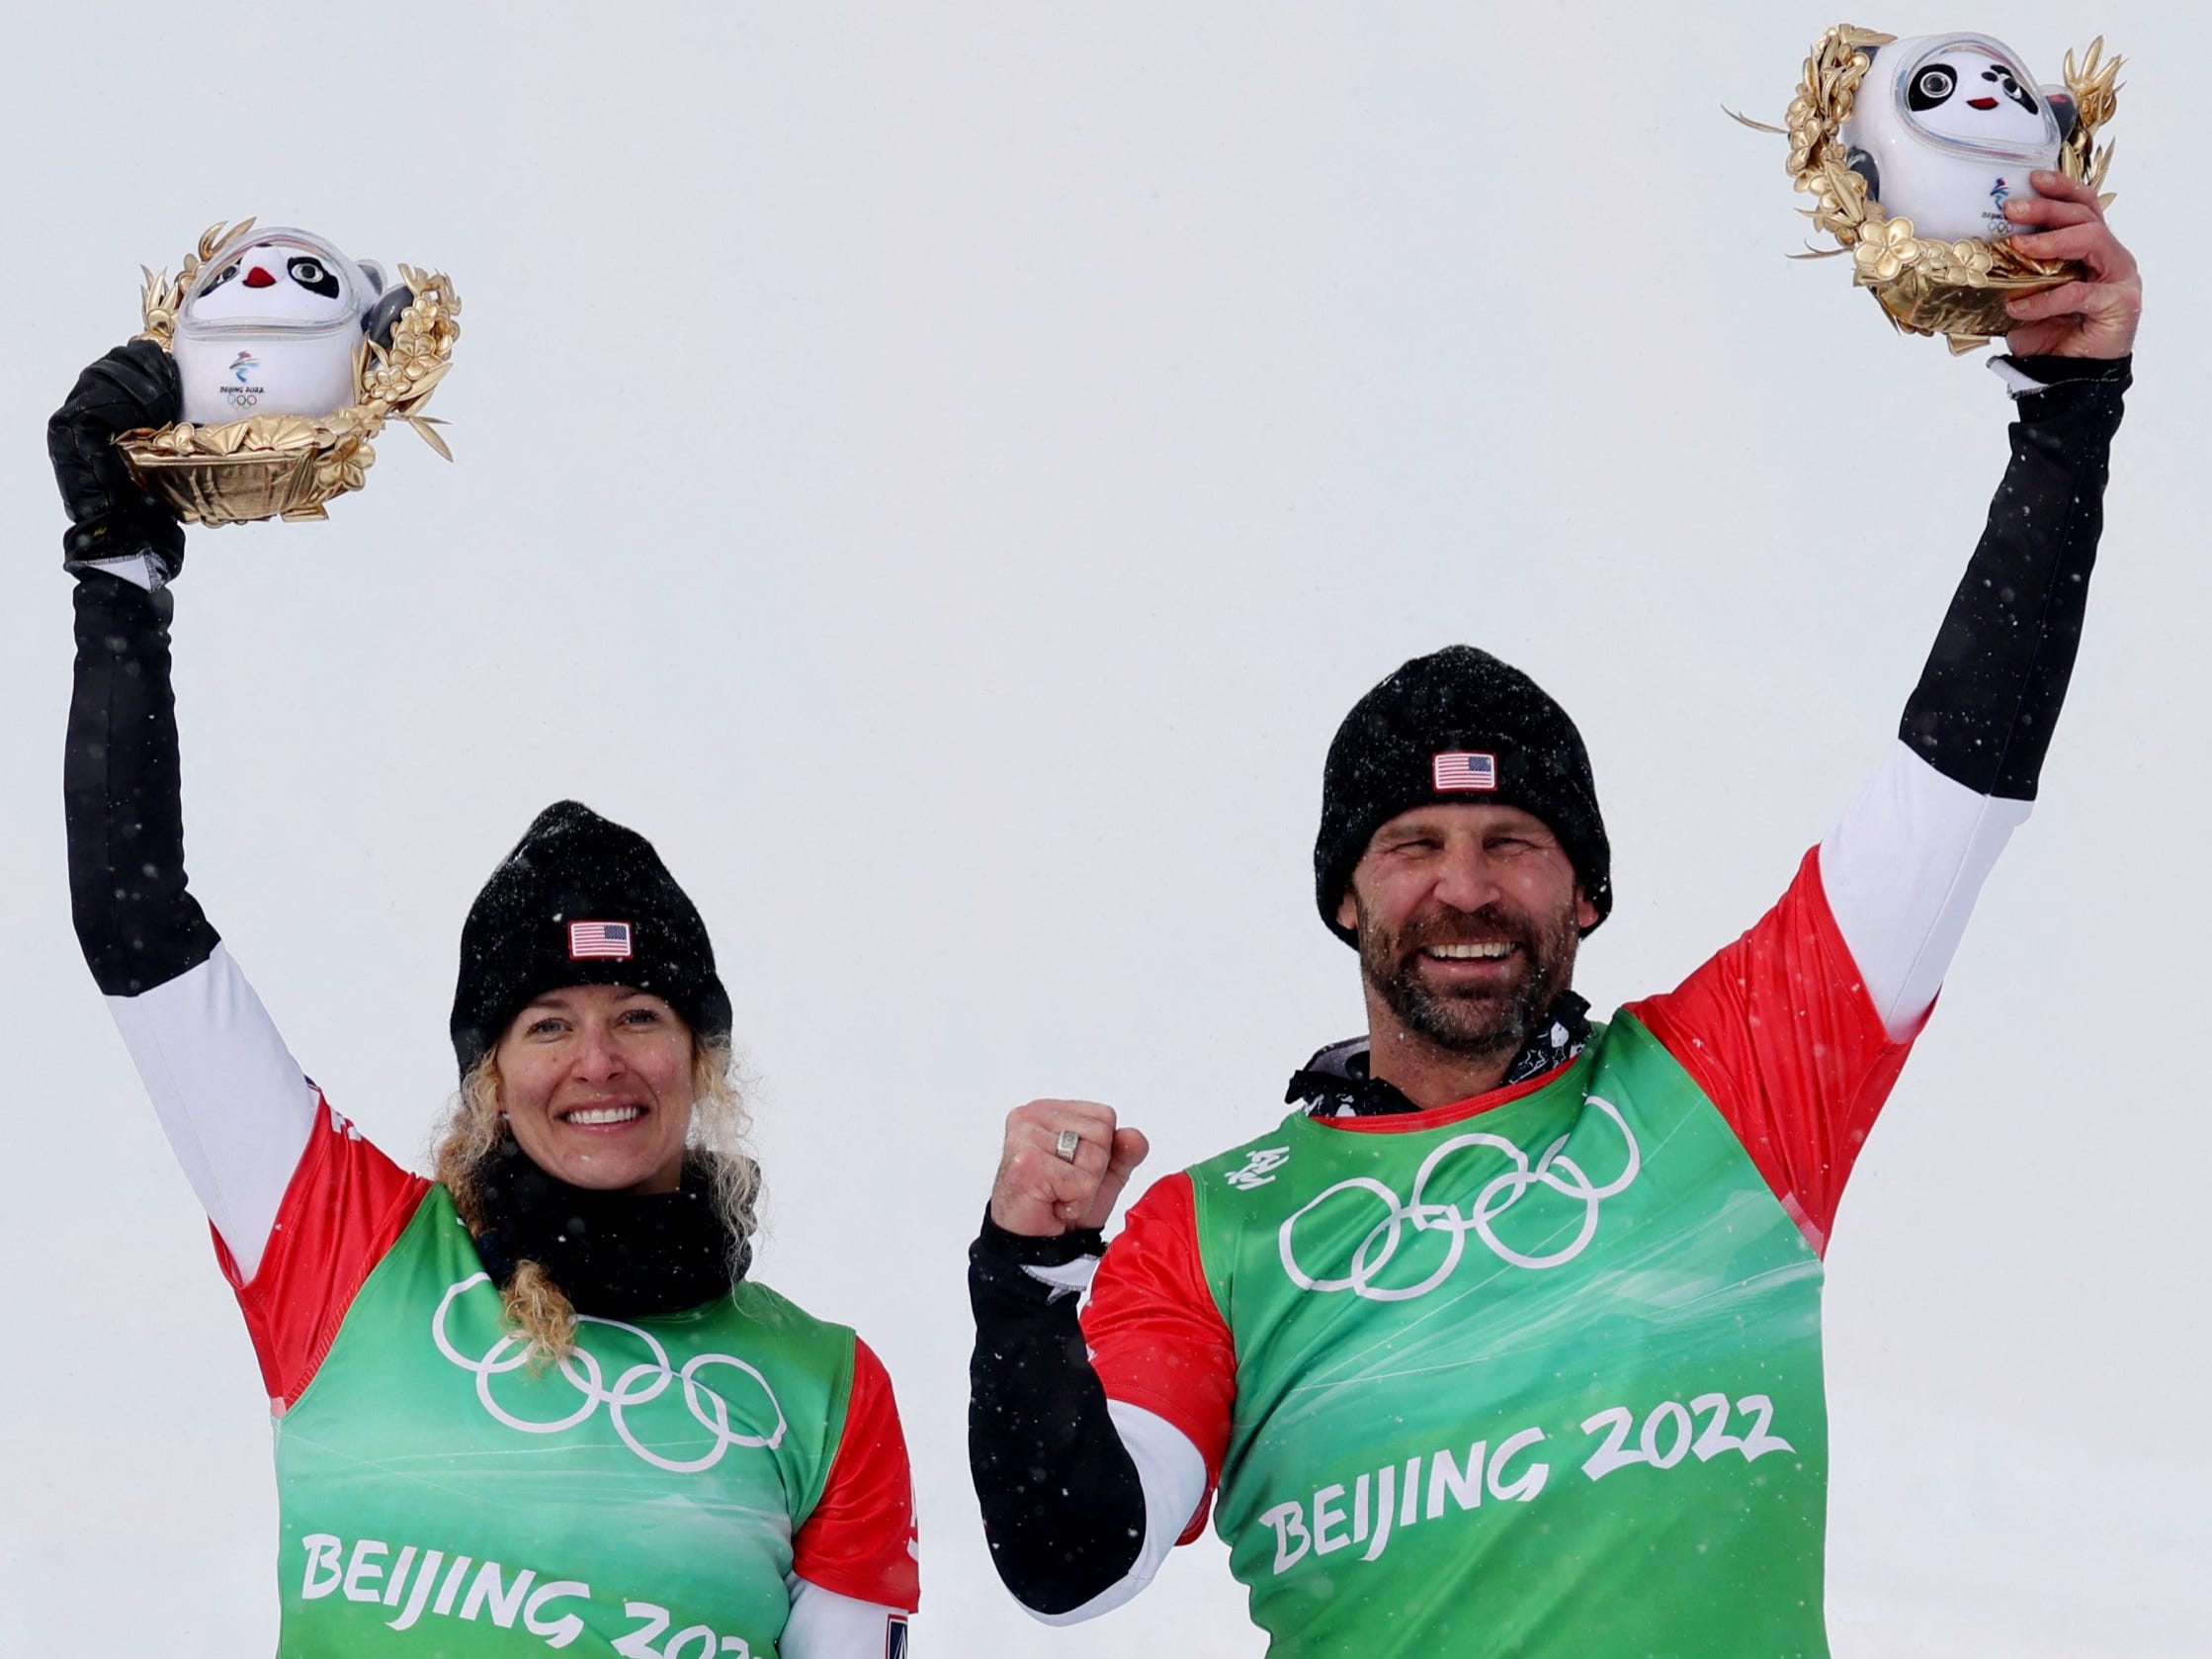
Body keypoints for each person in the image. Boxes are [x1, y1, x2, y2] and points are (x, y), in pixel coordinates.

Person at [966, 171, 2141, 1657]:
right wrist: (1023, 1284)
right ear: (1342, 892)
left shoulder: (1730, 1088)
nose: (1466, 888)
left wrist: (2068, 415)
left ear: (1586, 888)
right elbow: (1077, 1557)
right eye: (1414, 843)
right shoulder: (1215, 1227)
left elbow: (1953, 785)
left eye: (1513, 840)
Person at [54, 345, 919, 1659]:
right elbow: (136, 922)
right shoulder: (340, 1248)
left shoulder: (824, 1391)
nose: (599, 1060)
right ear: (488, 1073)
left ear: (703, 1059)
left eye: (638, 1012)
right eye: (546, 1022)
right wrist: (121, 571)